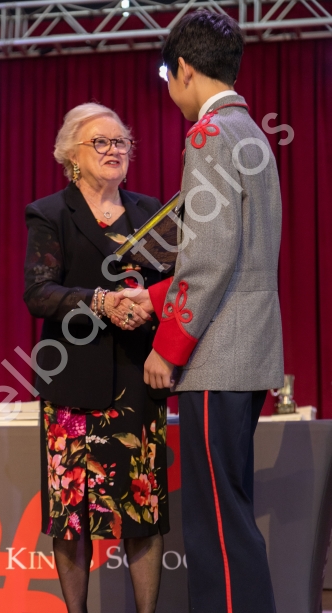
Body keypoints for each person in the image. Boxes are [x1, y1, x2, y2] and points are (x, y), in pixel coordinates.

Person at [124, 10, 284, 613]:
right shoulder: (251, 132)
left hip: (218, 356)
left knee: (215, 523)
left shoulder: (210, 134)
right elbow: (234, 255)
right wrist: (154, 297)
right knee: (228, 513)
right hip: (248, 347)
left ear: (184, 69)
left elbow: (211, 257)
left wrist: (168, 348)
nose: (170, 90)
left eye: (168, 76)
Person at [23, 102, 169, 613]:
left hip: (138, 377)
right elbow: (39, 293)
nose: (114, 150)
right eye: (100, 142)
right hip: (71, 383)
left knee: (142, 515)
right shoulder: (49, 213)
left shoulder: (150, 210)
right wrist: (101, 302)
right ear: (71, 155)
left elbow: (175, 284)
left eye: (121, 141)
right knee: (71, 519)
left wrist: (151, 307)